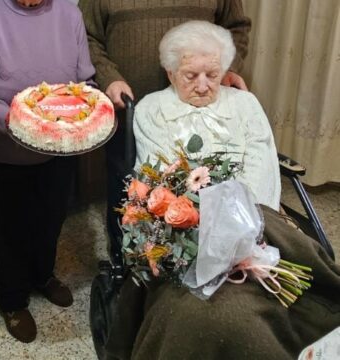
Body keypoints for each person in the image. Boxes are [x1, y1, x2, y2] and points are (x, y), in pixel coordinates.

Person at [103, 21, 340, 360]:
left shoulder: (245, 104)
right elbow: (161, 180)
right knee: (205, 315)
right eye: (190, 75)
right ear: (170, 73)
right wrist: (205, 229)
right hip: (188, 229)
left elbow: (261, 170)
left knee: (301, 300)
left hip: (257, 223)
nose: (203, 86)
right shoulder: (153, 109)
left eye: (212, 75)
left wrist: (243, 231)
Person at [79, 0, 252, 258]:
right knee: (128, 190)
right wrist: (108, 77)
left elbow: (236, 27)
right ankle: (124, 262)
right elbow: (86, 36)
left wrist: (224, 69)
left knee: (197, 191)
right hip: (129, 111)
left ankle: (197, 261)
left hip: (198, 111)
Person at [0, 0, 95, 343]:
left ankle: (43, 275)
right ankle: (12, 300)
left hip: (60, 148)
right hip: (5, 151)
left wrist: (86, 111)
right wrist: (16, 121)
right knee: (8, 229)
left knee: (51, 218)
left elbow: (85, 78)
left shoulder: (69, 13)